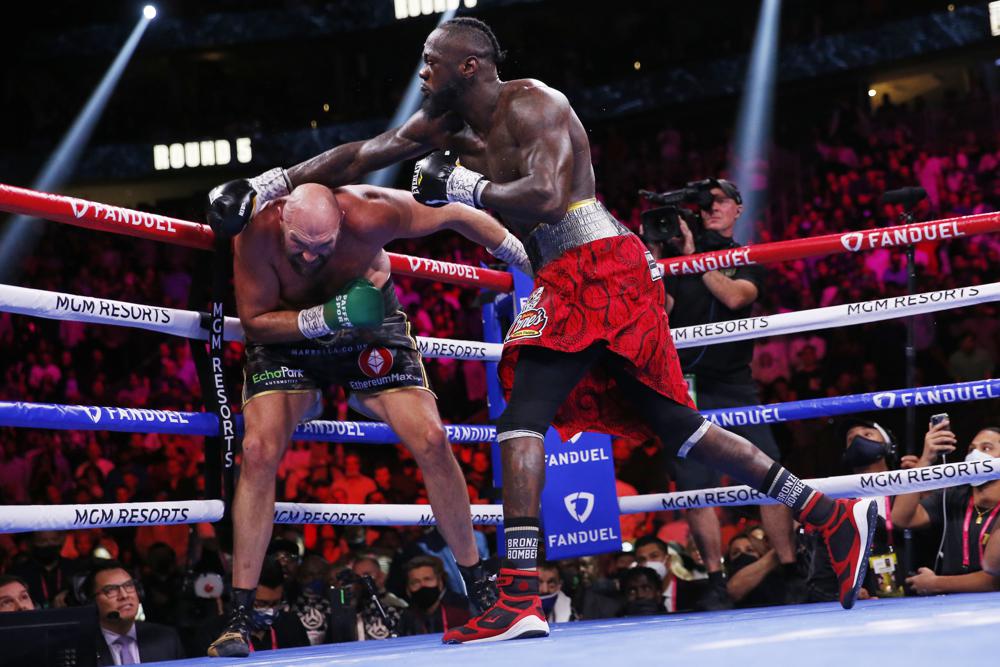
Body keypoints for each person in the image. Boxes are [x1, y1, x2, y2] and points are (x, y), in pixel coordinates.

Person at [208, 17, 878, 643]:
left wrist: (462, 186)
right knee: (680, 428)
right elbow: (361, 154)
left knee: (523, 415)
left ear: (468, 66)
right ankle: (824, 510)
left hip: (597, 264)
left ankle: (521, 592)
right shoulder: (443, 120)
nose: (421, 74)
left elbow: (550, 195)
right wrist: (268, 183)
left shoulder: (536, 105)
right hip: (571, 275)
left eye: (430, 63)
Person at [207, 182, 523, 656]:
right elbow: (253, 321)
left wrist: (526, 260)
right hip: (286, 341)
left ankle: (479, 587)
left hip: (367, 332)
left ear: (343, 224)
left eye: (323, 247)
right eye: (300, 245)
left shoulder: (373, 212)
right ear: (282, 222)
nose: (311, 258)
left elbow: (456, 212)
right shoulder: (254, 233)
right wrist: (326, 316)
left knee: (434, 439)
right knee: (256, 450)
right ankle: (239, 617)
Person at [655, 179, 797, 609]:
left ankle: (792, 569)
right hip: (686, 387)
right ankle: (715, 578)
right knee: (694, 486)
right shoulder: (677, 261)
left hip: (735, 384)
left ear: (738, 207)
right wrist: (660, 261)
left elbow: (735, 297)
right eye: (705, 202)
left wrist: (692, 257)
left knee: (769, 475)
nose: (711, 207)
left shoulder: (743, 257)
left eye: (720, 201)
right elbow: (660, 312)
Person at [891, 423, 1000, 595]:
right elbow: (902, 518)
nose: (975, 455)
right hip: (950, 607)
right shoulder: (954, 497)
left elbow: (996, 579)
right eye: (971, 449)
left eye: (986, 448)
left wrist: (937, 583)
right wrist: (925, 460)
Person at [805, 419, 903, 601]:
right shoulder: (835, 506)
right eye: (851, 439)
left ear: (887, 445)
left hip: (916, 597)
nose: (858, 440)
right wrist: (844, 593)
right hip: (860, 610)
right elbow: (820, 580)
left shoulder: (910, 489)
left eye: (867, 434)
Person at [86, 560, 185, 665]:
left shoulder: (167, 639)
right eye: (110, 590)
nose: (124, 595)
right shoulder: (80, 647)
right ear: (93, 601)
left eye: (129, 586)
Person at [202, 557, 310, 654]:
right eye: (261, 603)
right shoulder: (214, 633)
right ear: (242, 599)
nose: (270, 610)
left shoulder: (291, 625)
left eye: (275, 603)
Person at [397, 555, 471, 636]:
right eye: (415, 582)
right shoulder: (404, 618)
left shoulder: (462, 610)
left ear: (440, 583)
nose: (422, 585)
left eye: (427, 579)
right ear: (408, 589)